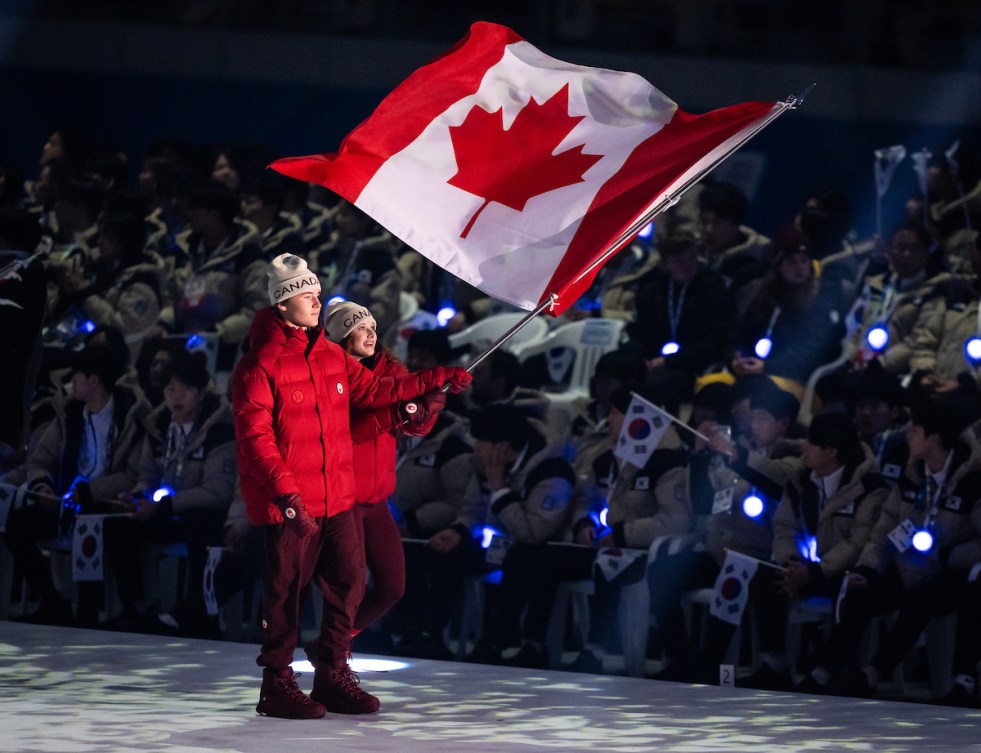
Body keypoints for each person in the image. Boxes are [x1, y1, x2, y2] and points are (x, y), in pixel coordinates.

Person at [232, 252, 471, 719]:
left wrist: (435, 378)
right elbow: (255, 438)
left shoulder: (328, 355)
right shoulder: (259, 364)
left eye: (317, 291)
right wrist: (286, 494)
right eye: (306, 293)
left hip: (338, 499)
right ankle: (277, 684)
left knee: (348, 585)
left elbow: (376, 393)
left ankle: (332, 676)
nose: (316, 299)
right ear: (282, 304)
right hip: (293, 502)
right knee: (287, 595)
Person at [803, 389, 981, 699]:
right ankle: (824, 671)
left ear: (934, 440)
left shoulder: (971, 480)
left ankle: (875, 674)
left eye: (915, 431)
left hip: (951, 574)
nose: (907, 436)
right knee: (857, 590)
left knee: (923, 597)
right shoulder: (911, 475)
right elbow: (884, 529)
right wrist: (867, 571)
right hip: (907, 566)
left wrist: (950, 554)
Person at [321, 299, 446, 648]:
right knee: (350, 585)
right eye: (361, 327)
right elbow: (356, 426)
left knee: (392, 586)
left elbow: (412, 428)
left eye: (373, 326)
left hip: (376, 500)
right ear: (343, 335)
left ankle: (334, 644)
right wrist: (405, 409)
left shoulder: (393, 372)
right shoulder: (329, 375)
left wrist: (427, 409)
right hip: (341, 500)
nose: (370, 333)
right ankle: (334, 655)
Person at [2, 340, 150, 625]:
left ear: (93, 380)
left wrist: (90, 492)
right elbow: (41, 458)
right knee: (17, 524)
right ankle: (52, 601)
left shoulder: (129, 415)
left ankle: (92, 611)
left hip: (108, 505)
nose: (72, 383)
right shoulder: (69, 414)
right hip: (66, 502)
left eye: (76, 377)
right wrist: (42, 485)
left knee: (90, 523)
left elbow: (132, 472)